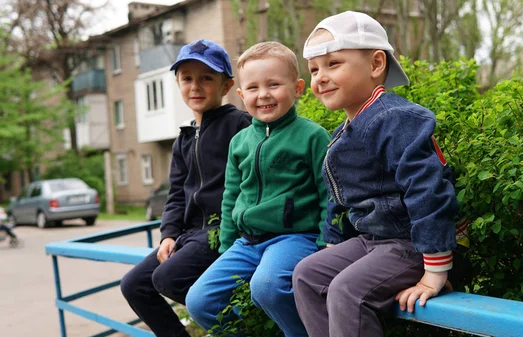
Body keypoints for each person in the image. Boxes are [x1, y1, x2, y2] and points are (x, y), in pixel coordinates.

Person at [292, 11, 464, 337]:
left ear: (375, 65)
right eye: (314, 69)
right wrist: (333, 244)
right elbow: (339, 196)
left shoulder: (394, 118)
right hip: (372, 240)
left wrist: (435, 271)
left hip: (412, 244)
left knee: (346, 290)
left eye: (333, 64)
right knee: (307, 275)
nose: (320, 78)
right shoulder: (345, 130)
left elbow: (427, 189)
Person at [185, 41, 330, 337]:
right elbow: (231, 197)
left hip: (294, 237)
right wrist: (226, 246)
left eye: (274, 84)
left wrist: (328, 240)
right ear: (241, 95)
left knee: (267, 287)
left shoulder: (312, 136)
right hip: (247, 243)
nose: (263, 94)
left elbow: (330, 192)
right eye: (252, 88)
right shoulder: (239, 142)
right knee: (199, 301)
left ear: (298, 87)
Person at [120, 39, 251, 337]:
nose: (195, 86)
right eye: (187, 79)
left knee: (167, 278)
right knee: (134, 285)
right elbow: (177, 193)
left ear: (226, 85)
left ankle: (241, 327)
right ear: (178, 84)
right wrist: (168, 235)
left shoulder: (241, 125)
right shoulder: (184, 138)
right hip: (188, 235)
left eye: (206, 78)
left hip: (221, 231)